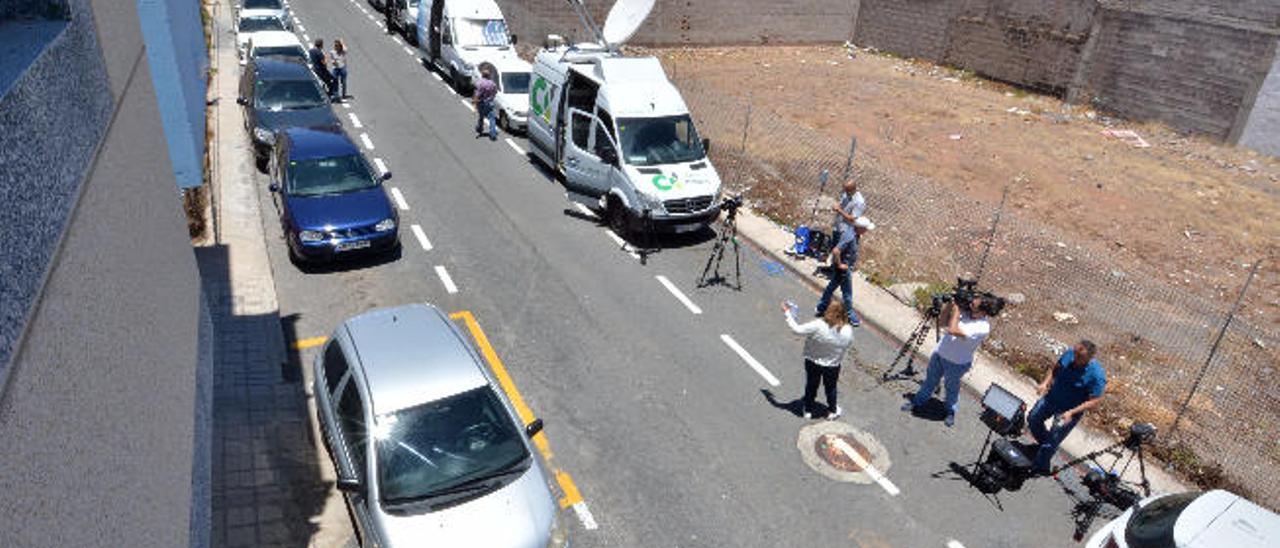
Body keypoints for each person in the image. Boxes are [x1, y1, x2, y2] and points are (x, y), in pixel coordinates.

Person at [901, 294, 1002, 427]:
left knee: (951, 388)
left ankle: (950, 411)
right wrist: (950, 305)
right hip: (940, 354)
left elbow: (953, 329)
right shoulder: (965, 312)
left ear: (983, 312)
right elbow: (943, 323)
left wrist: (956, 310)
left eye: (973, 305)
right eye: (971, 303)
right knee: (929, 382)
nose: (970, 305)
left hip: (958, 363)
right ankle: (917, 402)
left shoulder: (982, 327)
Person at [1028, 341, 1106, 474]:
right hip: (1051, 399)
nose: (1075, 358)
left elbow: (1094, 401)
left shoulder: (1097, 376)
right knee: (1033, 418)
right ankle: (1045, 447)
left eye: (1079, 357)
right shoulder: (1070, 353)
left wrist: (1071, 412)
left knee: (1053, 438)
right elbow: (1056, 368)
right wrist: (1045, 383)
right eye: (1074, 354)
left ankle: (1040, 467)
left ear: (1090, 358)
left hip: (1068, 410)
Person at [782, 299, 854, 419]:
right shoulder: (847, 330)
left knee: (811, 385)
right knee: (831, 388)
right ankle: (832, 410)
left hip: (813, 361)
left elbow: (797, 330)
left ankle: (808, 410)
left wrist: (787, 313)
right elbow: (847, 344)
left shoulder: (818, 325)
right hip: (833, 365)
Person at [816, 216, 873, 327]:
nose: (866, 231)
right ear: (860, 228)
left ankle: (821, 307)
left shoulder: (854, 234)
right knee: (847, 294)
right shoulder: (850, 237)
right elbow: (836, 251)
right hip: (843, 270)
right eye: (865, 228)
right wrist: (840, 264)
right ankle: (850, 315)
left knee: (831, 287)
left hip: (843, 269)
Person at [830, 177, 866, 246]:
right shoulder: (846, 194)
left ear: (852, 190)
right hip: (838, 227)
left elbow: (853, 218)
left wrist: (839, 210)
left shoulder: (859, 202)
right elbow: (841, 203)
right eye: (845, 190)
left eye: (847, 190)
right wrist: (836, 206)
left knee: (842, 253)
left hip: (847, 231)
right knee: (833, 249)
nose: (845, 192)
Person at [473, 66, 499, 141]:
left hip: (481, 103)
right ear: (489, 76)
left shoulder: (480, 83)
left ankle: (480, 128)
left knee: (481, 116)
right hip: (489, 103)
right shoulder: (492, 84)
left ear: (482, 75)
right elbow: (495, 92)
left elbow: (477, 94)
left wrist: (475, 103)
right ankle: (493, 133)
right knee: (492, 118)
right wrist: (491, 98)